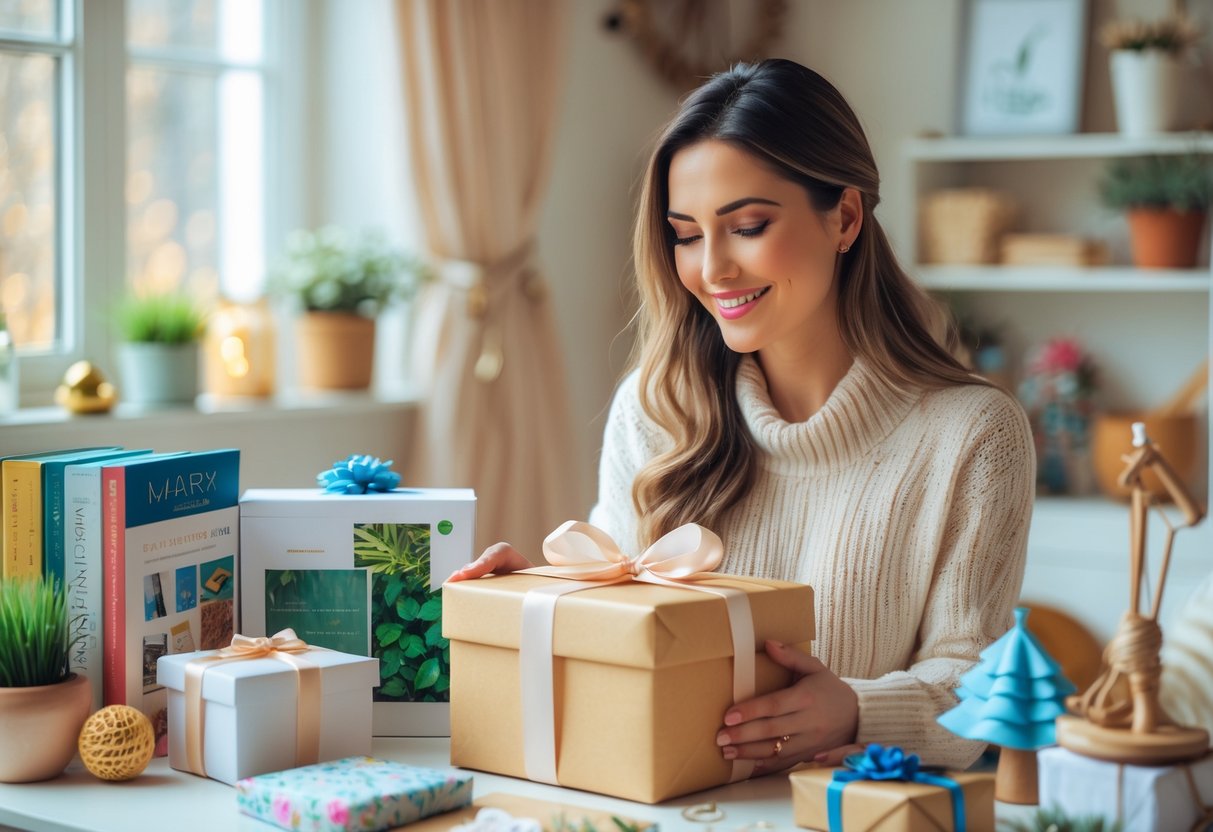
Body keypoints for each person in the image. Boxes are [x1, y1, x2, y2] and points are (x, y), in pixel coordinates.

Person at [448, 58, 1035, 772]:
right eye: (686, 235)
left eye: (747, 225)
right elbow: (617, 614)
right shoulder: (655, 408)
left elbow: (972, 689)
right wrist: (534, 598)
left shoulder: (973, 434)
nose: (712, 268)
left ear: (845, 217)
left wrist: (851, 707)